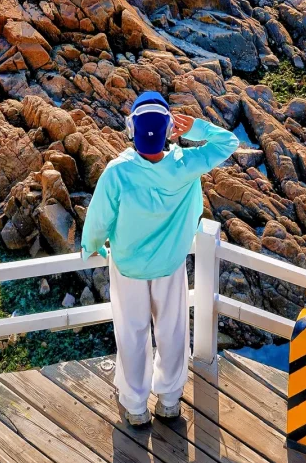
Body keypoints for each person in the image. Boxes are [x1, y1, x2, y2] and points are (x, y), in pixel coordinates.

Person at [81, 91, 239, 426]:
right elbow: (229, 142)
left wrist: (91, 246)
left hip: (128, 268)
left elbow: (98, 220)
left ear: (131, 130)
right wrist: (196, 128)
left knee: (132, 332)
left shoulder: (117, 172)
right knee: (172, 330)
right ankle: (169, 400)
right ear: (168, 129)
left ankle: (135, 406)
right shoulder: (185, 165)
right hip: (170, 266)